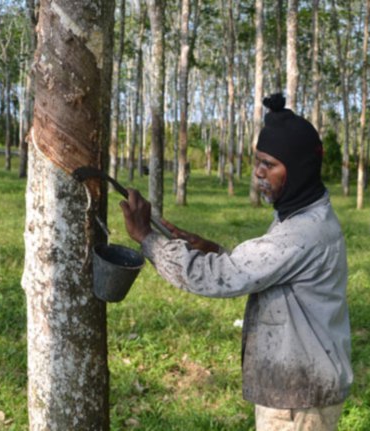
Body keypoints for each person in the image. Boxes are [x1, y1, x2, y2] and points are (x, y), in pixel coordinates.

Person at [120, 93, 352, 431]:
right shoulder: (300, 214)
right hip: (301, 387)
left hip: (299, 401)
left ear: (299, 168)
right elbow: (267, 270)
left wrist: (147, 239)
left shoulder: (303, 232)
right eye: (257, 160)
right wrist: (214, 248)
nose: (258, 172)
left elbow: (214, 278)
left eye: (270, 164)